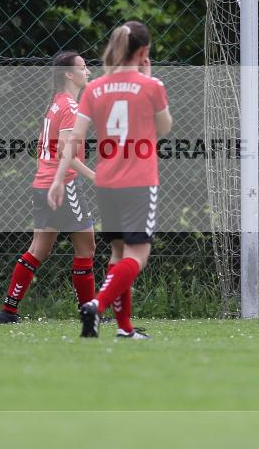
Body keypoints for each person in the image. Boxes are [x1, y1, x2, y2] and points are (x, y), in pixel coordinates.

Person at [48, 21, 172, 339]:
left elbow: (74, 138)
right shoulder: (151, 85)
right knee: (137, 254)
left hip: (106, 182)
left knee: (118, 254)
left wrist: (59, 179)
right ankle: (97, 304)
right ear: (143, 52)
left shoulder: (95, 88)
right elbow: (164, 127)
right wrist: (146, 78)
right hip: (139, 181)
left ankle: (125, 329)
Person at [0, 52, 97, 324]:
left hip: (42, 184)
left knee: (38, 250)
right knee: (86, 248)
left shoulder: (56, 104)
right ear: (69, 74)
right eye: (84, 68)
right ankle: (89, 312)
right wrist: (94, 176)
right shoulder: (71, 108)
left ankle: (8, 311)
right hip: (63, 185)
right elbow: (65, 151)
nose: (88, 72)